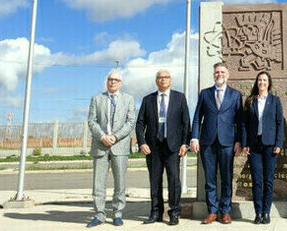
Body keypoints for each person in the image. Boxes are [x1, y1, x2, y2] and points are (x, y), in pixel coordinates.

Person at [190, 62, 244, 224]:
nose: (219, 74)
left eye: (222, 71)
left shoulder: (235, 95)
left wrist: (239, 141)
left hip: (228, 142)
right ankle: (212, 211)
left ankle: (225, 211)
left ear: (227, 74)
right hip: (207, 142)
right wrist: (194, 138)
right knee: (210, 179)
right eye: (216, 72)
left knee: (227, 178)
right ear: (213, 74)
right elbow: (197, 117)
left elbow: (240, 121)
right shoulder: (205, 93)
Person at [135, 69, 191, 226]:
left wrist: (185, 143)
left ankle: (174, 212)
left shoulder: (179, 98)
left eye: (166, 77)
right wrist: (142, 143)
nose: (163, 80)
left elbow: (186, 122)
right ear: (156, 81)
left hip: (173, 147)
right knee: (155, 181)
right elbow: (140, 123)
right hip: (153, 147)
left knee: (174, 180)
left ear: (171, 80)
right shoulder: (148, 99)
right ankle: (155, 212)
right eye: (160, 77)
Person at [86, 70, 136, 227]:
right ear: (106, 81)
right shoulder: (97, 99)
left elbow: (130, 121)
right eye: (110, 79)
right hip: (100, 146)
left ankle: (117, 214)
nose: (112, 82)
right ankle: (99, 214)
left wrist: (115, 137)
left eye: (116, 80)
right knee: (98, 183)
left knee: (120, 183)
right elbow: (92, 121)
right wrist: (102, 137)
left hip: (119, 146)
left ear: (121, 83)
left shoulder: (128, 99)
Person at [242, 71, 284, 225]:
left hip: (270, 146)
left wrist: (278, 144)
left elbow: (280, 123)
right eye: (260, 80)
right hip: (254, 146)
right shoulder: (250, 101)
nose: (262, 83)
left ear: (269, 83)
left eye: (265, 80)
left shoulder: (275, 101)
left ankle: (266, 212)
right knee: (257, 181)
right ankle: (258, 212)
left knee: (268, 181)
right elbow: (244, 124)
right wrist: (245, 143)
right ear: (256, 82)